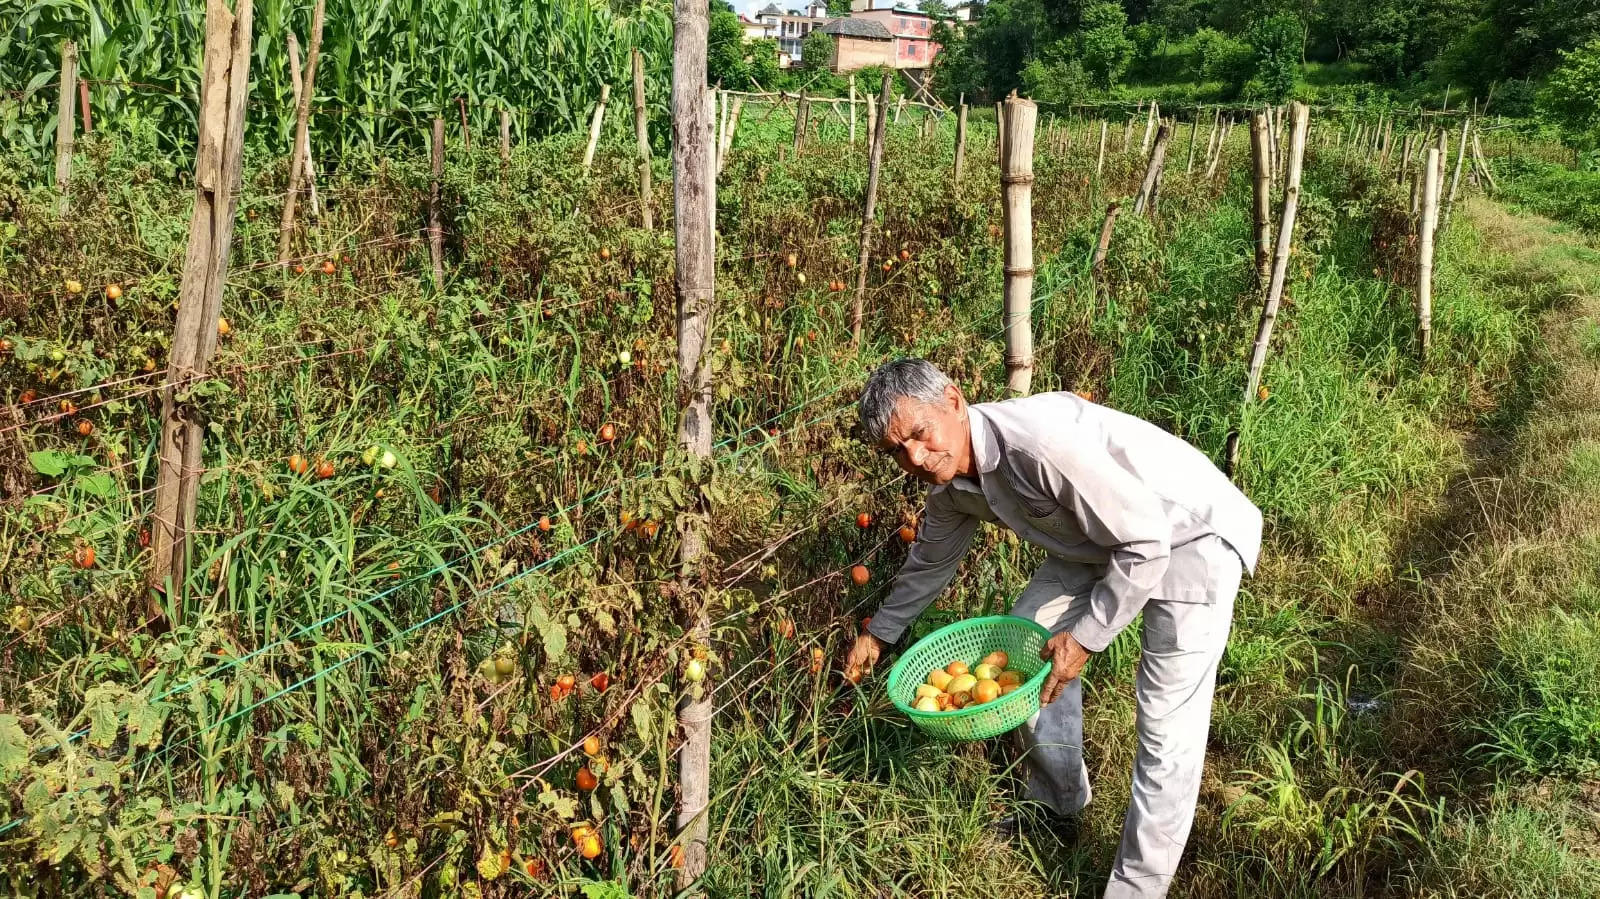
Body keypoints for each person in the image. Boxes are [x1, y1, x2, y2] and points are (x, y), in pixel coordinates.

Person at [841, 358, 1262, 899]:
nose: (916, 458)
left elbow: (1147, 541)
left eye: (920, 435)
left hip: (1187, 535)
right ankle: (1058, 803)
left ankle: (1136, 889)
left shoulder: (1034, 447)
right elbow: (930, 562)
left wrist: (1086, 638)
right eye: (898, 452)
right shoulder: (950, 487)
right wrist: (879, 635)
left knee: (1165, 724)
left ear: (953, 400)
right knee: (1024, 644)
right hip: (1100, 541)